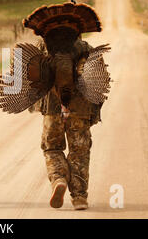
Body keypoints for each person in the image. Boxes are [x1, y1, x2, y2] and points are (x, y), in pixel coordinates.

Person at [35, 36, 102, 211]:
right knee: (79, 151)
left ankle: (59, 179)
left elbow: (32, 77)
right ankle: (79, 197)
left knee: (52, 148)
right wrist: (94, 113)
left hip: (52, 108)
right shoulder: (87, 49)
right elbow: (99, 86)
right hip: (80, 109)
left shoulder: (43, 47)